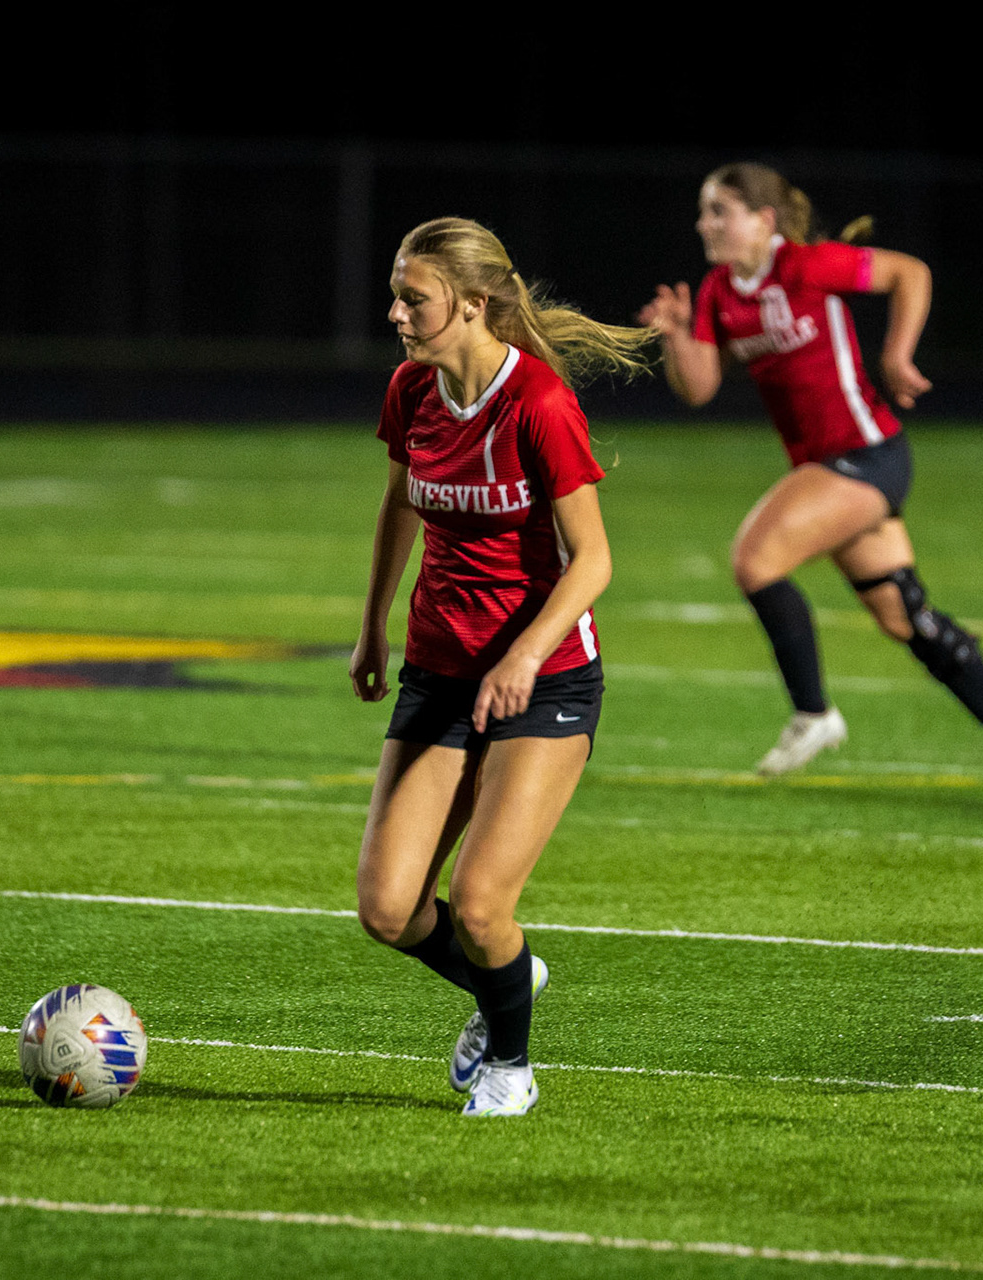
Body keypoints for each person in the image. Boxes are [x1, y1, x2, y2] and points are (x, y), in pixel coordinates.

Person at [351, 217, 649, 1117]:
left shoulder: (539, 405)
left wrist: (523, 656)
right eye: (397, 296)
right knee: (389, 909)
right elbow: (400, 502)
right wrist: (372, 625)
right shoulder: (412, 389)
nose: (396, 314)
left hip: (544, 678)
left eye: (415, 299)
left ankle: (510, 1067)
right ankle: (508, 979)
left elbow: (593, 560)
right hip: (440, 673)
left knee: (480, 904)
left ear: (474, 304)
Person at [639, 162, 983, 801]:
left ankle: (813, 713)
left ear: (763, 220)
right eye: (704, 211)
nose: (704, 223)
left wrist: (896, 355)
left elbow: (910, 272)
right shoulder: (719, 290)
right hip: (832, 470)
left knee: (755, 560)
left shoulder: (805, 265)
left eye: (719, 211)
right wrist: (675, 336)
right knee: (903, 616)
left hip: (867, 453)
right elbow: (700, 388)